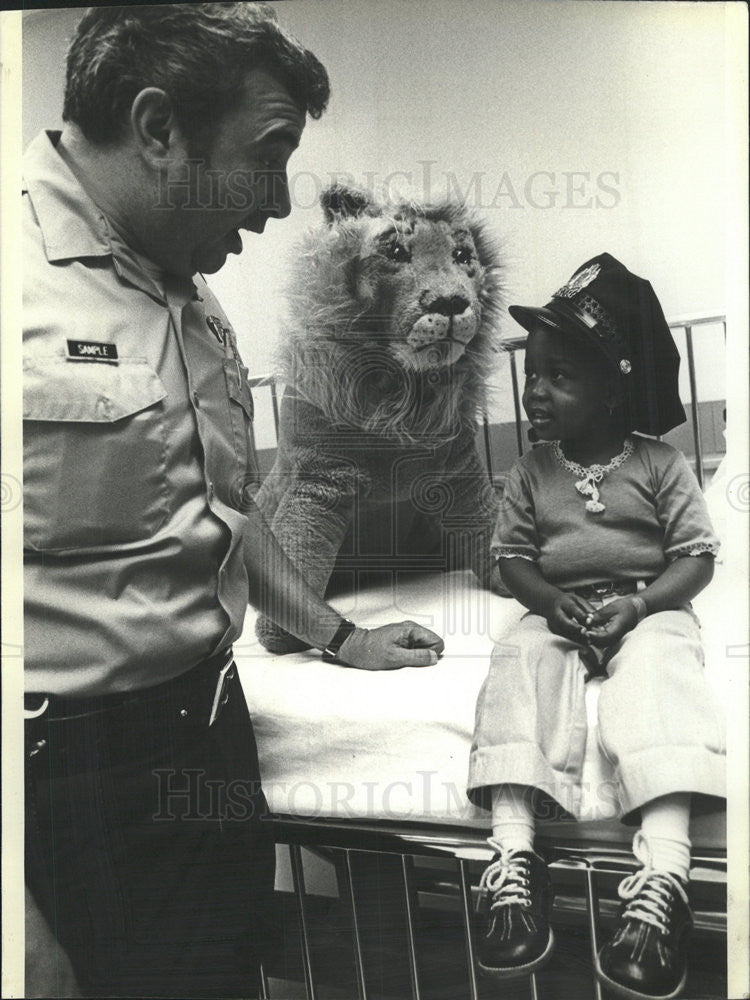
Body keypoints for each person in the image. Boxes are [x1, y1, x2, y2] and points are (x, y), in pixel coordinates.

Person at [22, 6, 444, 998]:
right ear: (160, 128)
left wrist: (337, 634)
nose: (279, 202)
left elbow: (223, 507)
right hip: (60, 780)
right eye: (269, 155)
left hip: (206, 737)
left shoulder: (189, 295)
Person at [467, 254, 725, 999]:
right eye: (531, 374)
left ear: (616, 389)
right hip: (561, 609)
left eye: (558, 377)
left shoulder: (660, 463)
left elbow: (696, 558)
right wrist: (547, 602)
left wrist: (643, 607)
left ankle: (665, 875)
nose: (534, 391)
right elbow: (511, 558)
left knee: (660, 674)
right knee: (518, 662)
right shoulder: (529, 470)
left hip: (647, 604)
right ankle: (514, 862)